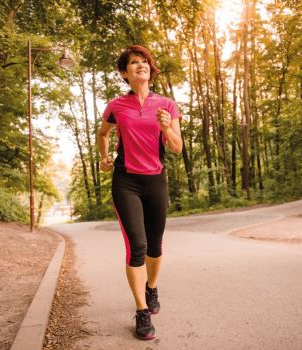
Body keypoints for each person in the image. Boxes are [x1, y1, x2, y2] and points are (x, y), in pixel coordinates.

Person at [97, 45, 183, 340]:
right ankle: (142, 310)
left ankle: (152, 286)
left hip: (156, 180)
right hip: (126, 182)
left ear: (150, 69)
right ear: (125, 73)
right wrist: (104, 156)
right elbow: (102, 133)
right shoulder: (117, 105)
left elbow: (176, 147)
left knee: (155, 246)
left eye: (144, 62)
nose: (141, 66)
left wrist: (166, 128)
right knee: (138, 246)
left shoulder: (167, 105)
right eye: (134, 63)